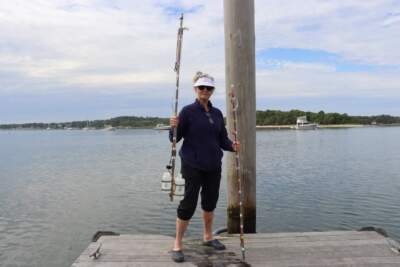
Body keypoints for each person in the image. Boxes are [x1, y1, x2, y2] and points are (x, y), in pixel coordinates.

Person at [169, 71, 239, 263]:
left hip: (213, 165)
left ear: (212, 91)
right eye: (202, 87)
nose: (205, 91)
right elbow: (174, 139)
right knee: (188, 204)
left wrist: (232, 146)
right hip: (192, 165)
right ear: (195, 89)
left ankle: (208, 237)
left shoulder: (217, 113)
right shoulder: (187, 112)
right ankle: (177, 244)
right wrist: (173, 127)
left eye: (209, 88)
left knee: (210, 202)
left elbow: (222, 139)